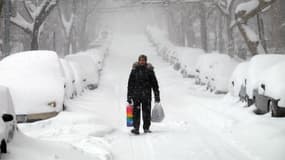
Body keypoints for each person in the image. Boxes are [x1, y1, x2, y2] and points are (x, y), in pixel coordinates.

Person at [127, 54, 160, 135]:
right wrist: (129, 96)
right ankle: (136, 128)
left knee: (146, 113)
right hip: (136, 95)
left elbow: (155, 84)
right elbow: (130, 84)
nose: (142, 61)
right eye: (140, 60)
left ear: (146, 61)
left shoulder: (149, 71)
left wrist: (157, 95)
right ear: (138, 61)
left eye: (143, 60)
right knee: (136, 113)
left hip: (147, 96)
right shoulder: (134, 70)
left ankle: (146, 128)